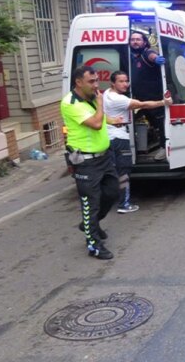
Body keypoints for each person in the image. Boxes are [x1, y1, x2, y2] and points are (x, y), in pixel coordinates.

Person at [61, 66, 123, 260]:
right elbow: (95, 123)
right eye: (91, 81)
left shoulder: (90, 99)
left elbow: (100, 119)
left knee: (113, 192)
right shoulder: (71, 103)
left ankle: (90, 224)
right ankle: (94, 246)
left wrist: (112, 120)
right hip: (86, 162)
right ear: (78, 82)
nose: (96, 85)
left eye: (97, 80)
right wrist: (101, 103)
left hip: (104, 158)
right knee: (91, 204)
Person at [104, 70, 173, 214]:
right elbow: (143, 105)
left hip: (108, 137)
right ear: (113, 83)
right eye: (121, 81)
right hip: (119, 138)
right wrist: (163, 102)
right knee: (124, 172)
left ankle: (107, 201)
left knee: (112, 171)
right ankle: (124, 204)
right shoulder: (118, 99)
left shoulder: (106, 94)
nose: (125, 84)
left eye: (126, 81)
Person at [128, 31, 167, 160]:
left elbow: (152, 55)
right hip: (139, 100)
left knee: (160, 124)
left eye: (138, 39)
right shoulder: (133, 57)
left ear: (144, 42)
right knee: (142, 122)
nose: (135, 42)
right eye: (132, 39)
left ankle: (164, 147)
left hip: (154, 99)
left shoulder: (146, 53)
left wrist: (156, 59)